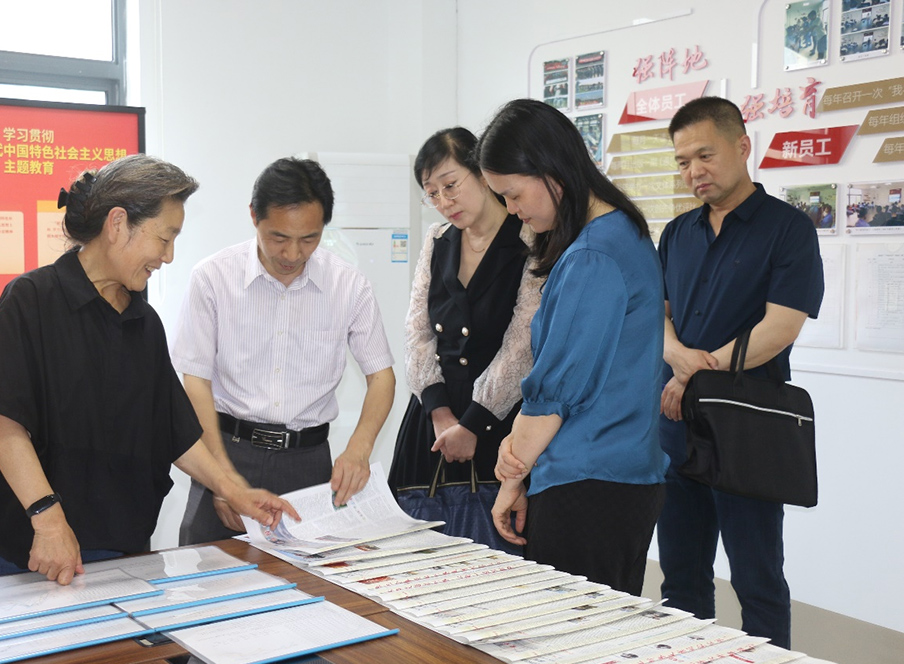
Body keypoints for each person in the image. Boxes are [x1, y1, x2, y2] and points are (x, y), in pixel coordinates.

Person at [0, 155, 298, 585]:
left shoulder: (143, 321)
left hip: (120, 547)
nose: (169, 256)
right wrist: (48, 521)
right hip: (30, 544)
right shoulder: (31, 300)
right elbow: (1, 424)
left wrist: (236, 491)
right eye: (165, 238)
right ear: (118, 223)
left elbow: (174, 432)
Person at [658, 96, 824, 649]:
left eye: (705, 155)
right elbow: (656, 314)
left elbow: (780, 327)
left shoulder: (788, 229)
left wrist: (693, 374)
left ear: (742, 146)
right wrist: (676, 356)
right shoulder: (677, 232)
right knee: (681, 579)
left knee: (758, 581)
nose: (694, 171)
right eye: (683, 161)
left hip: (748, 427)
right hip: (676, 428)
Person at [484, 99, 668, 597]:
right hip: (619, 474)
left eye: (513, 194)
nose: (512, 209)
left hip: (588, 479)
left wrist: (511, 475)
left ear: (551, 173)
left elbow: (555, 393)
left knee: (567, 629)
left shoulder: (592, 255)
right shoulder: (621, 233)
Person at [172, 157, 396, 546]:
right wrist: (223, 479)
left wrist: (359, 448)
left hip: (307, 464)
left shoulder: (348, 285)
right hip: (227, 450)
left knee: (312, 577)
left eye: (309, 239)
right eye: (278, 237)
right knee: (208, 572)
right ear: (254, 216)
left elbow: (382, 376)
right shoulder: (213, 278)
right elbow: (196, 383)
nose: (292, 254)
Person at [387, 128, 542, 546]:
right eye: (432, 193)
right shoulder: (438, 241)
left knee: (493, 550)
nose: (444, 201)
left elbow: (523, 343)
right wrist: (439, 412)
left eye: (451, 185)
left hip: (498, 419)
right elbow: (416, 330)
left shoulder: (529, 239)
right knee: (417, 552)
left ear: (482, 173)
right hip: (433, 419)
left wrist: (473, 424)